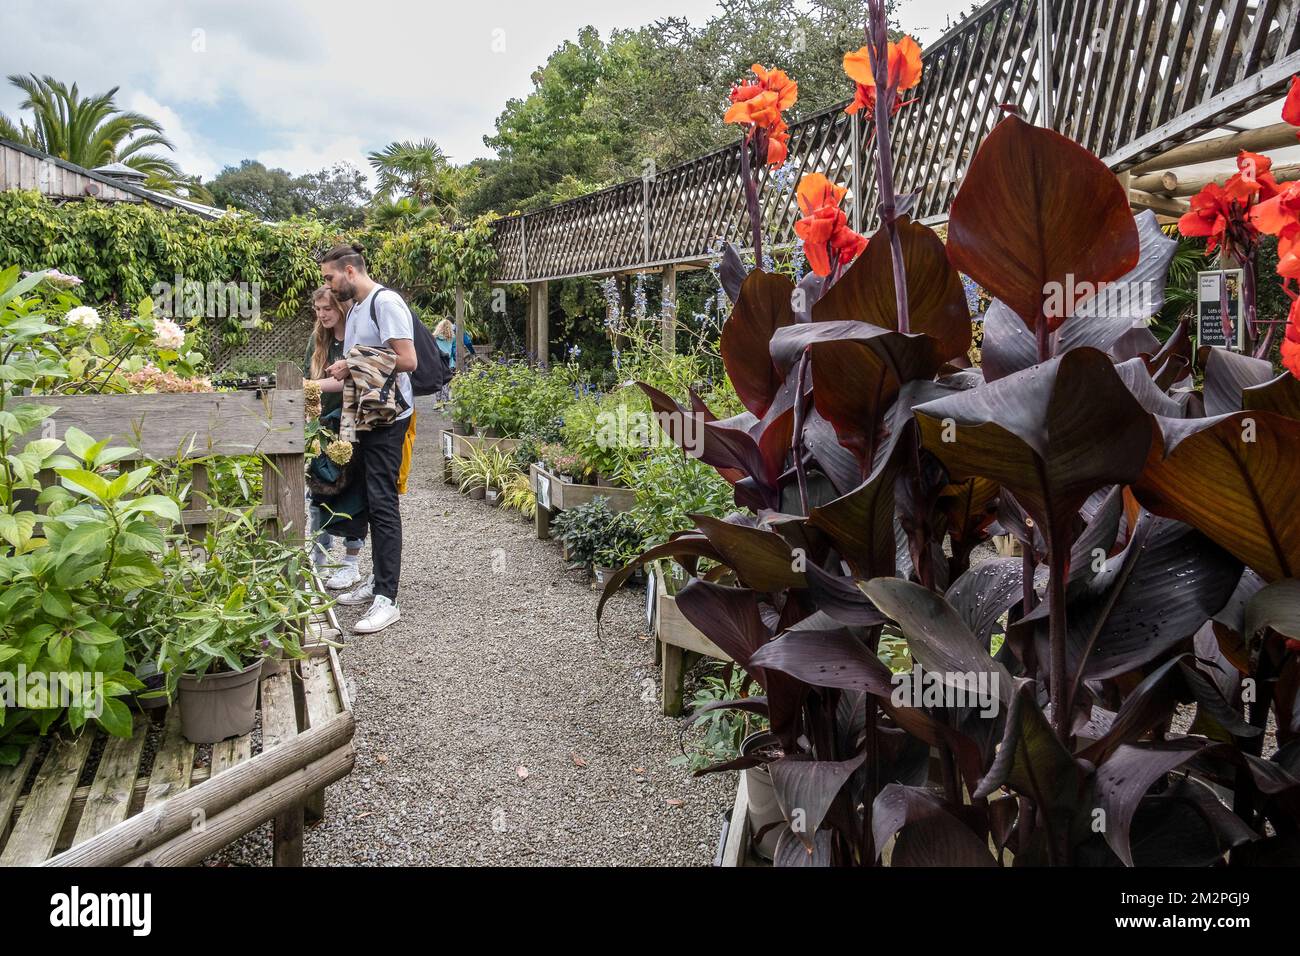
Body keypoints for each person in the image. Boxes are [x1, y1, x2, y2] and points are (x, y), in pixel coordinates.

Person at [318, 243, 416, 635]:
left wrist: (351, 362)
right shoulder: (358, 308)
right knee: (372, 503)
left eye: (330, 277)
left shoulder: (385, 302)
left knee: (384, 503)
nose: (328, 284)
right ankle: (376, 582)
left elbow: (408, 361)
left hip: (388, 420)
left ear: (350, 271)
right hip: (364, 417)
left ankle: (387, 600)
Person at [304, 286, 366, 589]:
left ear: (341, 308)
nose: (322, 314)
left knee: (353, 493)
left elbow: (351, 381)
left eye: (327, 308)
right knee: (318, 492)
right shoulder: (318, 341)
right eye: (318, 309)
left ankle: (351, 562)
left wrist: (310, 385)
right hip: (322, 426)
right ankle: (319, 560)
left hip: (354, 423)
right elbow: (310, 378)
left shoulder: (355, 337)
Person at [433, 318, 474, 403]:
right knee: (446, 382)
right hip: (449, 362)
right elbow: (456, 347)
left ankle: (437, 402)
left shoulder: (434, 337)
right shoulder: (452, 337)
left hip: (437, 361)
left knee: (438, 381)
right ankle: (445, 401)